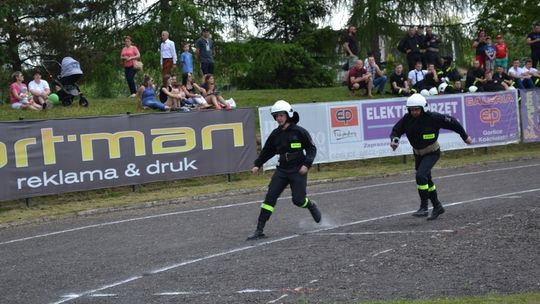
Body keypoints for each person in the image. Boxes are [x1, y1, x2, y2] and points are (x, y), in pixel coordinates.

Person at [390, 93, 472, 220]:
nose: (414, 112)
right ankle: (437, 206)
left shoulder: (433, 117)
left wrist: (465, 136)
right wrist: (394, 139)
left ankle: (424, 207)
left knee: (420, 176)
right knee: (427, 181)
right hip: (418, 154)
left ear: (423, 108)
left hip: (432, 152)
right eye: (412, 110)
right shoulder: (407, 119)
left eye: (417, 109)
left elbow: (453, 122)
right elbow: (396, 130)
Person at [247, 100, 321, 240]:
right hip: (282, 170)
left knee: (298, 200)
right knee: (270, 198)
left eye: (281, 115)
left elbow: (311, 149)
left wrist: (307, 164)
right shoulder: (275, 134)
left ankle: (310, 204)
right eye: (276, 116)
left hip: (298, 169)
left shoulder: (299, 131)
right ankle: (259, 230)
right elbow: (267, 151)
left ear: (288, 115)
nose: (278, 118)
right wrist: (258, 164)